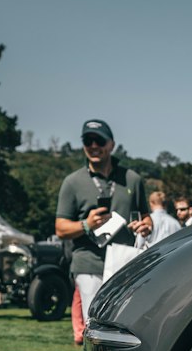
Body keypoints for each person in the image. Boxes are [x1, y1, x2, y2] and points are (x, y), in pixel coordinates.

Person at [54, 119, 151, 322]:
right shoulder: (73, 182)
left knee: (126, 324)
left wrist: (146, 226)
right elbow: (61, 229)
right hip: (89, 264)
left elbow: (146, 216)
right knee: (94, 325)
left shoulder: (132, 179)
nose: (94, 146)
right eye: (88, 141)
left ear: (111, 144)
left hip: (126, 263)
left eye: (99, 140)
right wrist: (86, 224)